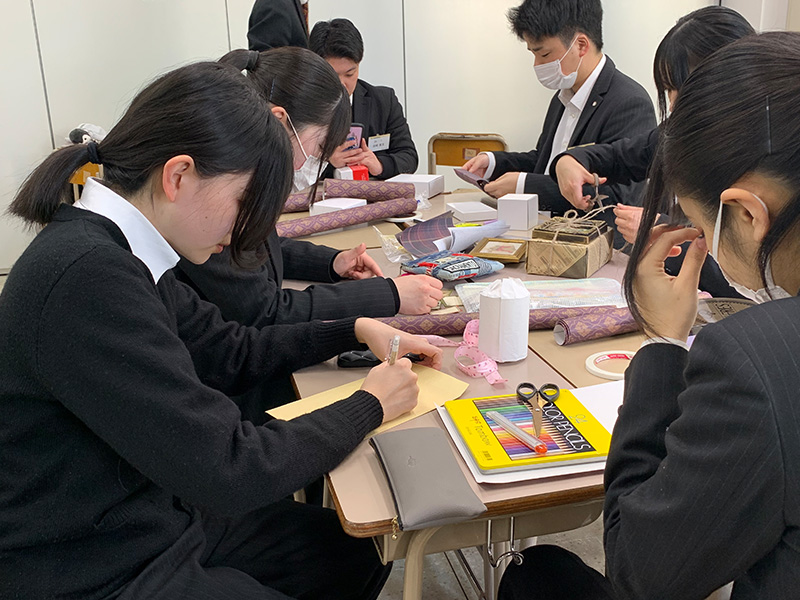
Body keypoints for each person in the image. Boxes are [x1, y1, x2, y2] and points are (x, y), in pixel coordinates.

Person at [0, 59, 443, 599]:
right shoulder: (88, 277)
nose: (243, 231)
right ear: (179, 175)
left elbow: (229, 349)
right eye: (242, 202)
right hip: (90, 563)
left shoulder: (124, 253)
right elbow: (231, 467)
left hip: (148, 514)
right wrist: (369, 403)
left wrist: (354, 328)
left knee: (348, 554)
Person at [499, 32, 800, 599]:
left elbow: (640, 571)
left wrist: (662, 341)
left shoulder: (757, 363)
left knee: (534, 577)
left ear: (746, 214)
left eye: (696, 222)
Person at [174, 48, 442, 418]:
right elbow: (266, 312)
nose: (304, 165)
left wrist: (333, 264)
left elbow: (258, 245)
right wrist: (384, 297)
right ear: (279, 120)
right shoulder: (210, 198)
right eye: (315, 149)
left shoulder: (217, 198)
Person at [551, 6, 755, 243]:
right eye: (668, 90)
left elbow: (741, 265)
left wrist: (660, 231)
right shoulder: (677, 134)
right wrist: (569, 160)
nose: (671, 106)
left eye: (679, 88)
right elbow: (621, 156)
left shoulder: (764, 160)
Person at [462, 0, 655, 245]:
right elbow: (544, 160)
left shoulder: (629, 101)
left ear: (581, 45)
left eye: (544, 54)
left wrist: (525, 185)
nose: (537, 65)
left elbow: (614, 196)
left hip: (590, 244)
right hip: (542, 230)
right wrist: (494, 162)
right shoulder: (563, 95)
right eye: (533, 54)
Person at [310, 18, 419, 180]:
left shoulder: (383, 101)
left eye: (349, 74)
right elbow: (285, 166)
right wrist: (326, 162)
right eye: (332, 75)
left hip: (372, 196)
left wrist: (379, 165)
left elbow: (409, 157)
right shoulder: (300, 105)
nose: (342, 84)